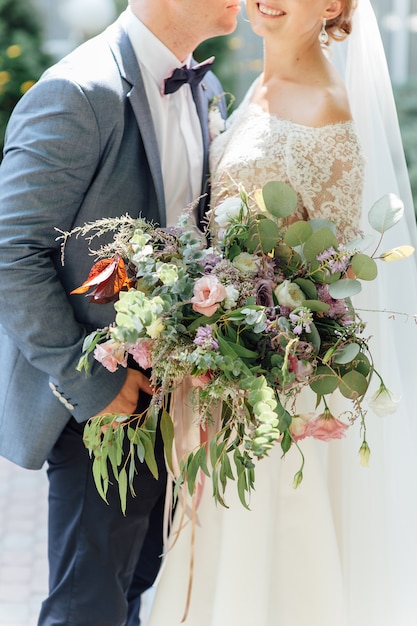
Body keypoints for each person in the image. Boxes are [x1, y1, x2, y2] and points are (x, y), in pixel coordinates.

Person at [147, 1, 417, 625]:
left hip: (278, 388)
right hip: (231, 378)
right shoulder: (259, 85)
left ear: (332, 6)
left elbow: (335, 281)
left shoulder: (326, 107)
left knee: (273, 563)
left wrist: (245, 352)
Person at [0, 1, 241, 624]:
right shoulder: (78, 93)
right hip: (98, 406)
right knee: (88, 606)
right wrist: (91, 383)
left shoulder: (205, 86)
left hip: (173, 396)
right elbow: (12, 252)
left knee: (131, 586)